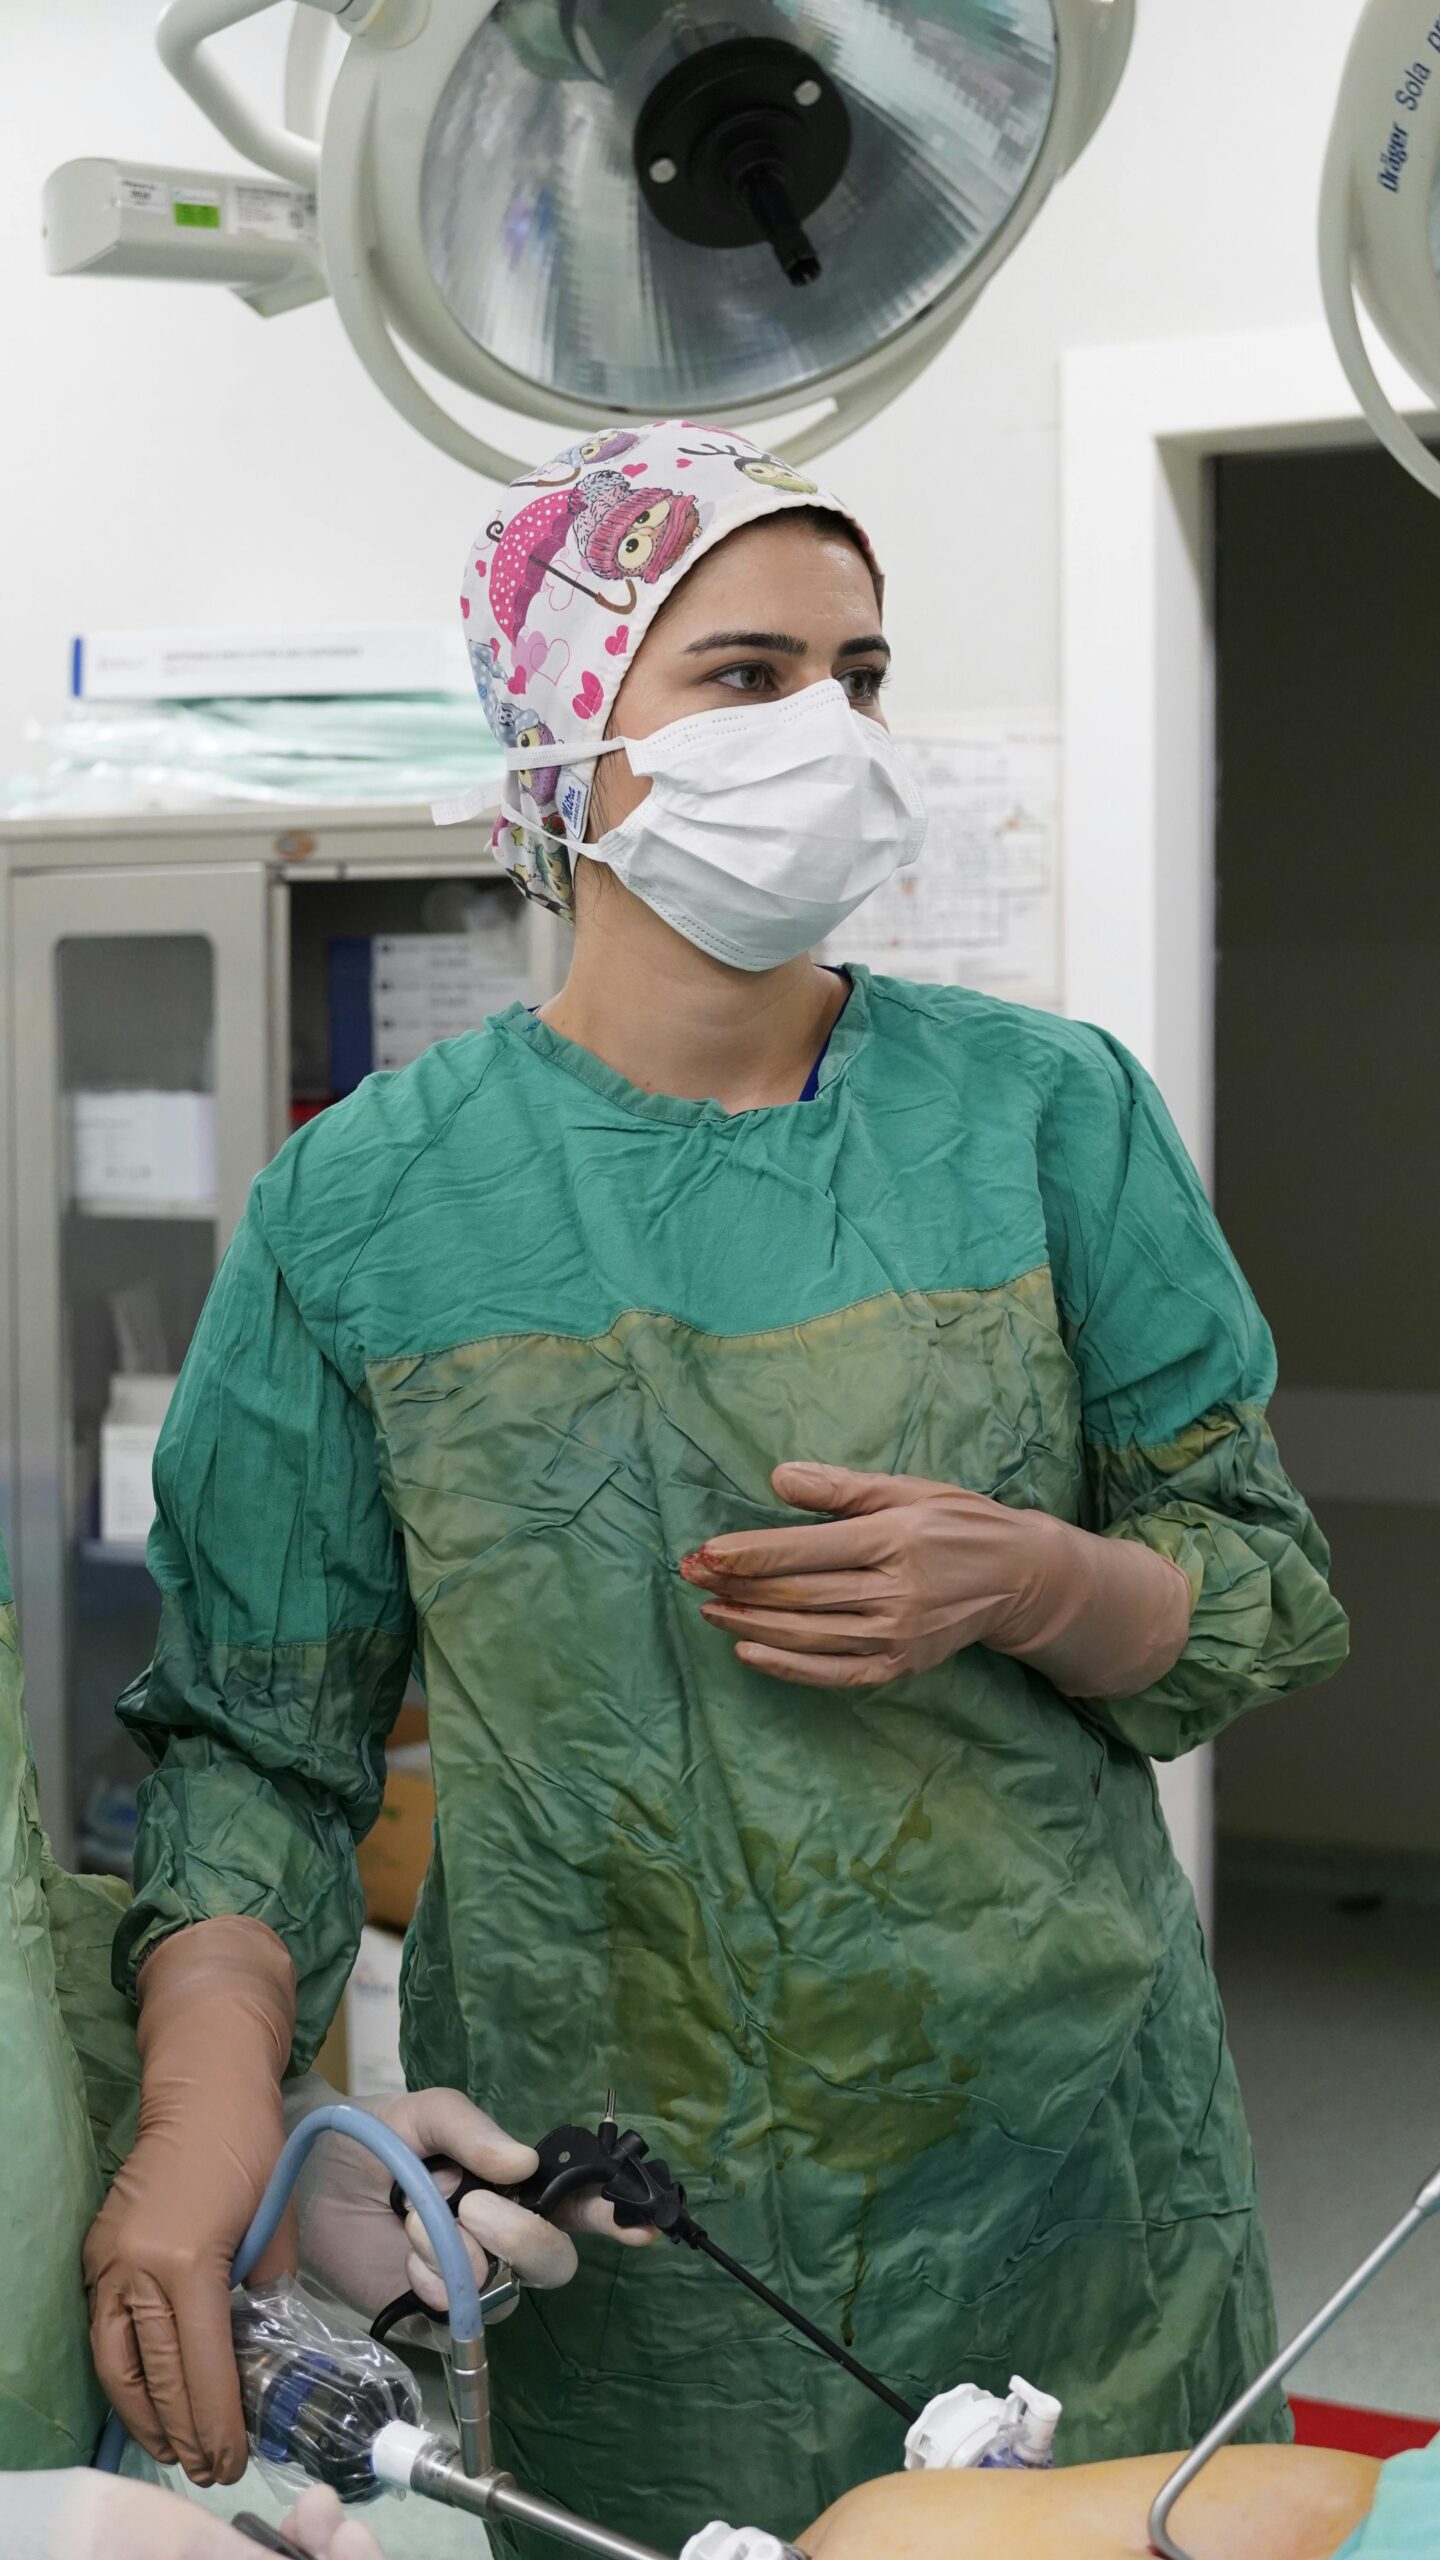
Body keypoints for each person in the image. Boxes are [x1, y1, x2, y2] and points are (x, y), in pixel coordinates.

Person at [89, 419, 1349, 2556]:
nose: (835, 734)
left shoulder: (1046, 1116)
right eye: (749, 676)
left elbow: (1263, 1586)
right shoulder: (363, 1211)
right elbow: (256, 1747)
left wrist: (1043, 1580)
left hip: (1075, 2177)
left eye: (861, 674)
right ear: (568, 745)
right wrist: (200, 2117)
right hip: (630, 2219)